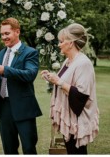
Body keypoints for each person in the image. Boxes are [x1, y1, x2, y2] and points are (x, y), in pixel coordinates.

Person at [41, 23, 99, 154]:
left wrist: (59, 81)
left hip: (77, 119)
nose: (59, 44)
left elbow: (81, 94)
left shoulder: (83, 63)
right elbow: (64, 82)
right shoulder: (68, 61)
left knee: (77, 152)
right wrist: (51, 77)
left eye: (61, 41)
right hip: (69, 117)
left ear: (71, 43)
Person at [0, 17, 42, 154]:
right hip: (4, 107)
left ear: (17, 32)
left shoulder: (30, 52)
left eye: (7, 33)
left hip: (23, 107)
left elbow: (30, 74)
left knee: (29, 148)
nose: (3, 37)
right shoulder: (1, 53)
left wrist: (5, 70)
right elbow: (2, 81)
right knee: (9, 148)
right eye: (2, 34)